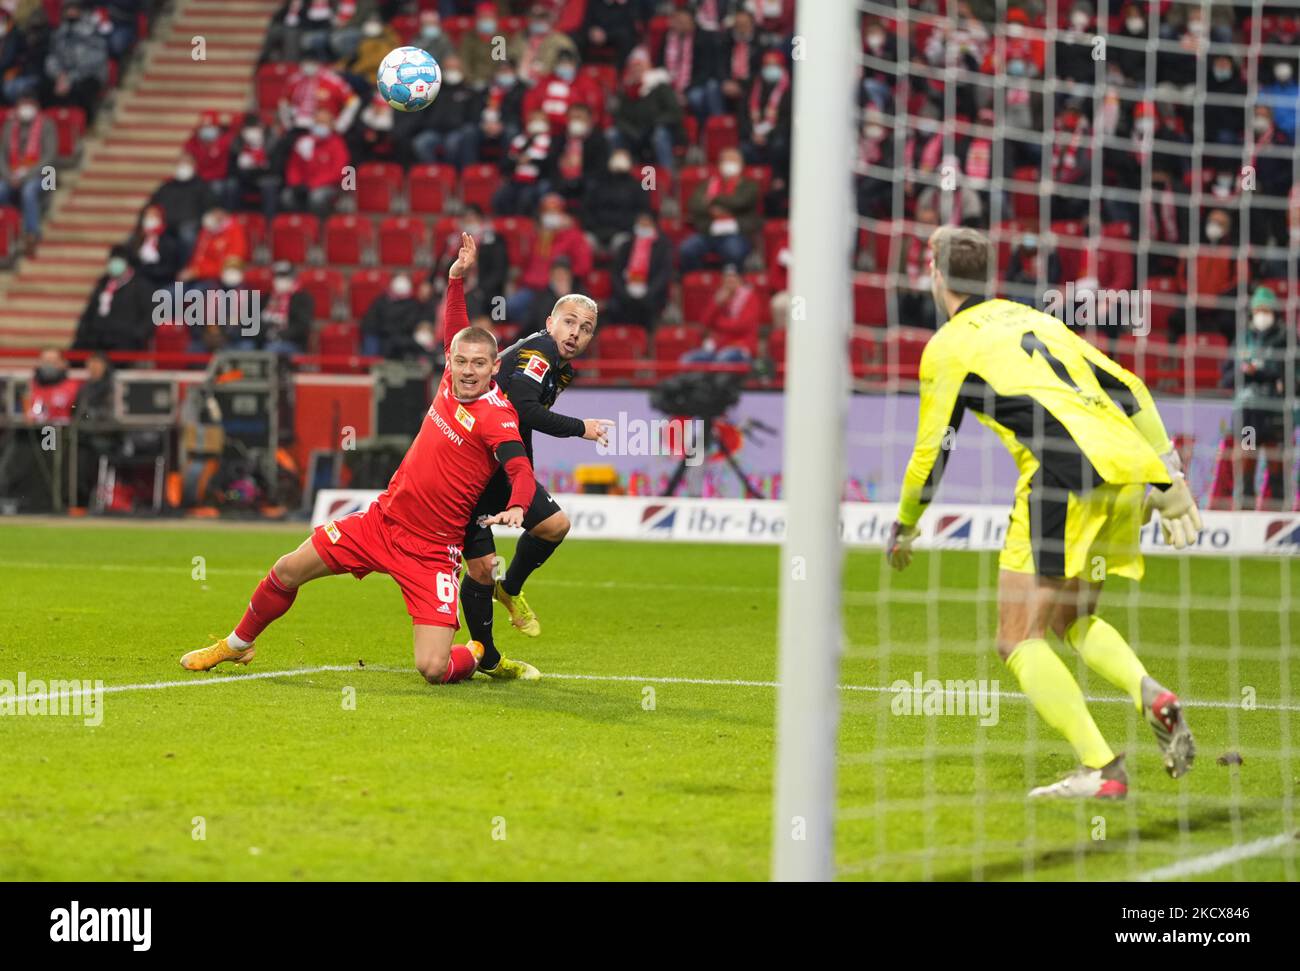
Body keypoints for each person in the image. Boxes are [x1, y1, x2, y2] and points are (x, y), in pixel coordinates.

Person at [887, 226, 1201, 800]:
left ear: (935, 275)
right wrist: (1171, 471)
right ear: (988, 277)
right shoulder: (1034, 318)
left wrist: (905, 525)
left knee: (1017, 637)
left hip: (1062, 479)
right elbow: (1128, 385)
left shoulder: (949, 347)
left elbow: (930, 456)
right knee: (1069, 620)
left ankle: (1101, 768)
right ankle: (1153, 696)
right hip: (1128, 474)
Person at [180, 234, 540, 684]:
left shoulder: (497, 417)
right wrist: (455, 279)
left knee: (432, 668)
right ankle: (236, 645)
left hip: (432, 551)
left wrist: (519, 506)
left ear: (493, 369)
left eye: (478, 364)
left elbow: (519, 469)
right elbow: (456, 325)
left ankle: (475, 650)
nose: (468, 370)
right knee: (288, 569)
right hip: (382, 522)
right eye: (461, 360)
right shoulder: (450, 377)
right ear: (451, 360)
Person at [459, 290, 611, 671]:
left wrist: (523, 475)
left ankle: (508, 589)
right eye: (570, 322)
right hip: (470, 466)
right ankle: (488, 659)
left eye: (586, 328)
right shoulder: (540, 354)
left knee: (554, 525)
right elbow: (524, 408)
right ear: (550, 324)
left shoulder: (561, 368)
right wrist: (581, 428)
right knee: (481, 567)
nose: (576, 332)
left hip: (502, 464)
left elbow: (517, 421)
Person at [1222, 287, 1288, 510]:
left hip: (1275, 414)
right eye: (1258, 309)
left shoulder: (1286, 338)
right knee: (1246, 462)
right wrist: (1245, 372)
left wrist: (1260, 374)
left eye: (1266, 309)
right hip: (1249, 416)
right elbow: (1226, 377)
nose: (1262, 314)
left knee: (1277, 465)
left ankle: (1280, 518)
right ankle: (1245, 514)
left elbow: (1289, 376)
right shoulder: (1243, 339)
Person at [679, 147, 758, 271]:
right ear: (720, 164)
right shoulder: (708, 185)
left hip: (736, 233)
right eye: (727, 160)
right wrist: (714, 210)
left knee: (733, 252)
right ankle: (700, 281)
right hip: (709, 231)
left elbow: (740, 202)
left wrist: (713, 200)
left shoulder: (749, 186)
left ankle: (731, 283)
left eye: (733, 160)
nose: (730, 164)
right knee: (687, 249)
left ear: (741, 164)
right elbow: (695, 204)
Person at [0, 93, 57, 254]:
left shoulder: (47, 124)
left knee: (29, 190)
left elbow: (50, 156)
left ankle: (32, 233)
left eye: (29, 103)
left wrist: (25, 176)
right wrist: (8, 176)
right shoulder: (10, 125)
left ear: (36, 106)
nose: (25, 108)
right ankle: (9, 229)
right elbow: (2, 156)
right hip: (12, 175)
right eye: (22, 104)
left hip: (46, 175)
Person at [72, 247, 154, 352]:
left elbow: (149, 317)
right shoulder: (103, 284)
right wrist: (83, 332)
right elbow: (89, 312)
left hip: (124, 340)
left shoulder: (141, 287)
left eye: (119, 260)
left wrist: (135, 336)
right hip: (98, 338)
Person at [682, 264, 762, 362]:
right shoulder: (720, 298)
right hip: (718, 347)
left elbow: (740, 326)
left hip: (741, 347)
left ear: (740, 280)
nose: (730, 281)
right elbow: (704, 323)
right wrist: (716, 304)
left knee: (723, 359)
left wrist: (718, 323)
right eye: (727, 278)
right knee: (687, 359)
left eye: (733, 278)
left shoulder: (750, 297)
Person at [607, 211, 672, 329]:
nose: (643, 227)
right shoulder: (627, 245)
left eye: (646, 224)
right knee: (615, 307)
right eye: (640, 224)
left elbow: (663, 274)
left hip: (650, 293)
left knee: (647, 306)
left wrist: (648, 292)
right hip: (626, 292)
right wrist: (624, 293)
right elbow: (615, 273)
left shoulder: (662, 247)